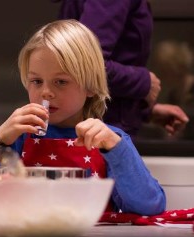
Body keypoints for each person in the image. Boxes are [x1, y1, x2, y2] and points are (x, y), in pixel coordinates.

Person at [0, 20, 166, 216]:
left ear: (90, 87)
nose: (46, 92)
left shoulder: (109, 140)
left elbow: (150, 207)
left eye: (60, 81)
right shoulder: (17, 138)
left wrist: (117, 149)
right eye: (36, 81)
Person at [56, 0, 189, 138]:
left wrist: (143, 111)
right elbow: (85, 63)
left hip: (95, 126)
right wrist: (144, 82)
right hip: (100, 132)